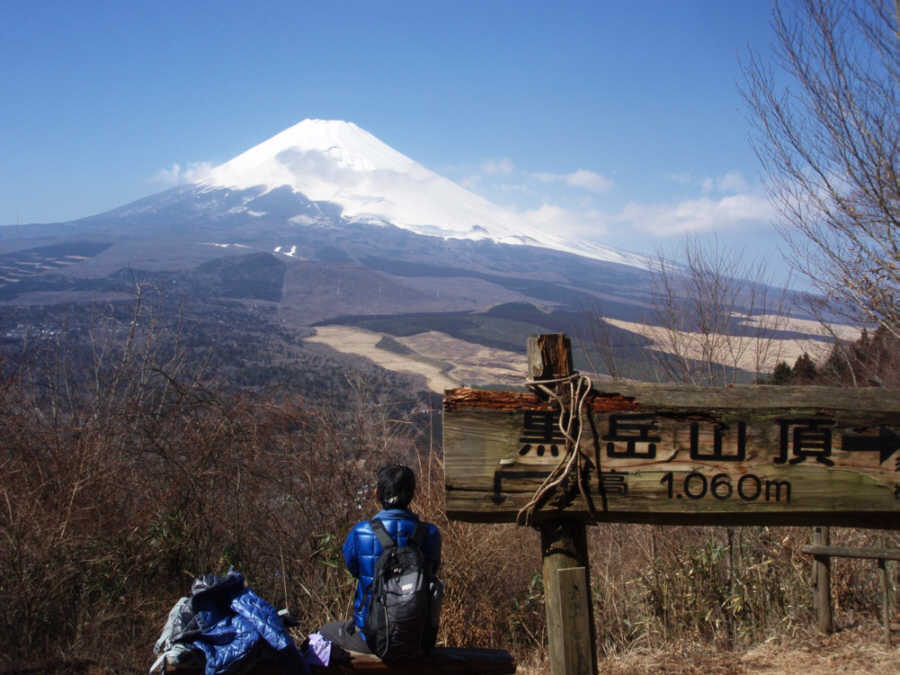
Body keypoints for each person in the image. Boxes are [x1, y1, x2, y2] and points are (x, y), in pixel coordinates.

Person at [319, 464, 441, 654]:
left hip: (371, 638)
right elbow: (433, 570)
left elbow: (354, 569)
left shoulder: (361, 532)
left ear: (377, 493)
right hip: (418, 639)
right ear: (411, 495)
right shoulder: (430, 533)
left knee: (325, 632)